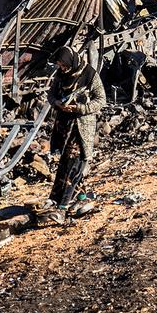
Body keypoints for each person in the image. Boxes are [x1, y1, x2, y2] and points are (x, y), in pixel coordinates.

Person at [47, 46, 106, 219]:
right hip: (64, 127)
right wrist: (58, 103)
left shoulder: (89, 74)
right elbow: (50, 95)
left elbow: (101, 100)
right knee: (67, 163)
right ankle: (81, 197)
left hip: (81, 129)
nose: (62, 68)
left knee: (72, 165)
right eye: (60, 65)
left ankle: (62, 207)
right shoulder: (60, 76)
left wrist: (80, 108)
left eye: (64, 65)